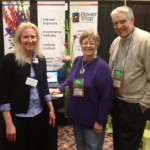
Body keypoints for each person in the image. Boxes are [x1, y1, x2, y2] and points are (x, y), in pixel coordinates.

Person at [52, 28, 114, 150]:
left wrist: (100, 121)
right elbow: (71, 79)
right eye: (85, 43)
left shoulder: (102, 68)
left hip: (92, 122)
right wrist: (60, 88)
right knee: (80, 147)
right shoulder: (77, 61)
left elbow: (106, 98)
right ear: (80, 44)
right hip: (76, 118)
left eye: (92, 43)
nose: (88, 46)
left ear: (97, 45)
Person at [0, 22, 56, 150]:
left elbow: (44, 86)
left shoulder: (41, 59)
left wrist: (51, 109)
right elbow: (3, 94)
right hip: (18, 118)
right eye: (25, 37)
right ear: (19, 39)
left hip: (39, 115)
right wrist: (9, 124)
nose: (30, 40)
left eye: (33, 37)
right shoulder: (9, 60)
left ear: (37, 38)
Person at [109, 6, 150, 150]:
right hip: (117, 102)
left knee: (129, 145)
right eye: (115, 23)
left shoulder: (146, 40)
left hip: (135, 104)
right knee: (118, 141)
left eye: (122, 21)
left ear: (132, 20)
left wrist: (144, 104)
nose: (119, 26)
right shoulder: (115, 42)